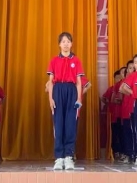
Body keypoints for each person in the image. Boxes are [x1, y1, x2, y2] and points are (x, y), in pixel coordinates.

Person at [46, 32, 84, 170]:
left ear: (71, 44)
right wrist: (50, 99)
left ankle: (68, 156)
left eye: (68, 41)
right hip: (58, 90)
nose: (66, 44)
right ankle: (59, 157)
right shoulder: (54, 60)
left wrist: (79, 98)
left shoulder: (76, 60)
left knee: (70, 124)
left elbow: (79, 82)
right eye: (63, 41)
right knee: (58, 124)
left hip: (71, 91)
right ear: (59, 44)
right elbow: (50, 82)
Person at [103, 69, 125, 161]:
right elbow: (104, 98)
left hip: (123, 115)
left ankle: (123, 152)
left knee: (123, 134)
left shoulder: (124, 86)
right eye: (117, 78)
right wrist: (109, 103)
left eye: (120, 77)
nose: (118, 79)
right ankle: (116, 152)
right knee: (115, 135)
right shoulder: (111, 89)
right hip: (114, 116)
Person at [118, 61, 136, 163]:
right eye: (130, 68)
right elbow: (121, 90)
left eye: (133, 67)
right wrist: (132, 94)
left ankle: (136, 154)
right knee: (127, 133)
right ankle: (129, 154)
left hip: (136, 109)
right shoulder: (125, 81)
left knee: (136, 133)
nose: (132, 69)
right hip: (127, 109)